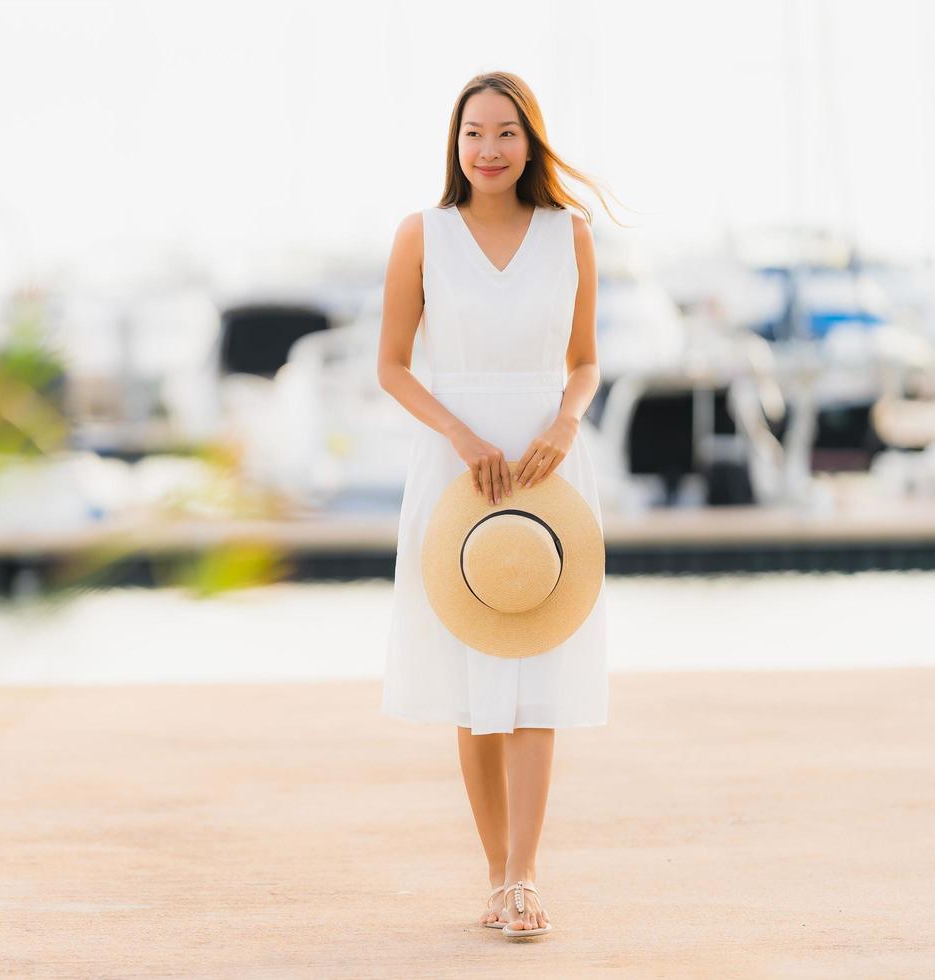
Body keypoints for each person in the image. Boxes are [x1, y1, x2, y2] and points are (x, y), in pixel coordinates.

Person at [376, 71, 624, 940]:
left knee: (536, 675)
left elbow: (586, 359)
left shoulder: (571, 235)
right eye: (474, 133)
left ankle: (525, 877)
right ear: (456, 142)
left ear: (532, 141)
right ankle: (495, 875)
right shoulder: (422, 234)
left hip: (548, 464)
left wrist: (566, 418)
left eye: (506, 133)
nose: (488, 149)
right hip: (457, 467)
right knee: (475, 678)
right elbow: (393, 366)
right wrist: (460, 435)